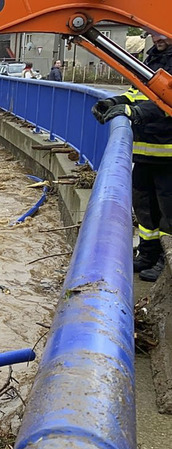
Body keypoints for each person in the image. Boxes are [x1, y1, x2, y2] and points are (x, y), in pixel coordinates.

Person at [92, 31, 172, 281]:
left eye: (163, 34)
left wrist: (133, 111)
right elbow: (138, 94)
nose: (158, 38)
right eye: (155, 34)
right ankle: (148, 253)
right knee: (145, 206)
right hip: (147, 150)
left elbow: (166, 102)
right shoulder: (152, 60)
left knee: (168, 211)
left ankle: (165, 261)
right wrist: (115, 101)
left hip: (168, 153)